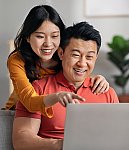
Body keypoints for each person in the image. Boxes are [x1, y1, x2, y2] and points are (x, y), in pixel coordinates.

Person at [13, 21, 119, 150]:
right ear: (61, 53)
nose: (82, 63)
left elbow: (116, 138)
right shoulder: (37, 90)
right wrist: (62, 145)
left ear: (96, 57)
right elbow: (21, 141)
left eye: (89, 57)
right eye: (75, 55)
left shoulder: (107, 93)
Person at [4, 5, 109, 117]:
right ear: (28, 37)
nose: (48, 44)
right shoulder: (17, 59)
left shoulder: (63, 55)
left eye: (54, 36)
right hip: (17, 113)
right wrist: (57, 96)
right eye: (40, 36)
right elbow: (29, 101)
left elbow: (79, 72)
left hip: (51, 113)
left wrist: (98, 79)